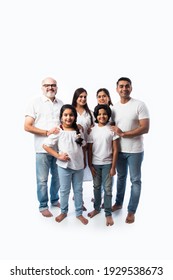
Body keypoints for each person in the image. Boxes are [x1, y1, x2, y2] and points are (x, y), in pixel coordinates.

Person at [111, 77, 150, 224]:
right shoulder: (114, 108)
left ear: (131, 88)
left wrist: (124, 134)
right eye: (121, 86)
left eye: (127, 86)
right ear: (117, 89)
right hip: (119, 150)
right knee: (121, 178)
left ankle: (131, 211)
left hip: (135, 150)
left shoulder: (139, 105)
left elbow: (145, 128)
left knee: (135, 180)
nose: (124, 89)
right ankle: (118, 203)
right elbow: (110, 127)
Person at [43, 104, 88, 225]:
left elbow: (83, 147)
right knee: (64, 190)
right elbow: (45, 145)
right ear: (61, 117)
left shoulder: (78, 130)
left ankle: (79, 213)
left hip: (78, 166)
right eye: (66, 115)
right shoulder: (59, 131)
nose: (68, 117)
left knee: (78, 190)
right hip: (64, 167)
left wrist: (84, 161)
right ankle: (63, 211)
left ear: (75, 117)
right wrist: (58, 156)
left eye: (71, 115)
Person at [24, 77, 63, 217]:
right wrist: (46, 132)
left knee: (57, 177)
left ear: (57, 87)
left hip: (58, 149)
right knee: (42, 180)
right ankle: (43, 206)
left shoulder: (61, 104)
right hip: (41, 149)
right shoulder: (35, 103)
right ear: (42, 87)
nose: (50, 88)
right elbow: (27, 126)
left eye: (53, 85)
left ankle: (54, 200)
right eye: (47, 85)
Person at [87, 104, 119, 226]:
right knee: (96, 187)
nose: (102, 116)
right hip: (95, 164)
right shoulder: (92, 130)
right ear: (96, 115)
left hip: (108, 164)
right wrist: (90, 166)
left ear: (108, 115)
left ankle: (108, 213)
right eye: (99, 114)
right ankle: (96, 208)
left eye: (104, 114)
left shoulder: (111, 129)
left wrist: (113, 167)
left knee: (108, 189)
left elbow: (115, 149)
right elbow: (89, 150)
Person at [72, 88, 94, 210]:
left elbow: (96, 125)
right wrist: (76, 125)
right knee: (76, 174)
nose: (83, 99)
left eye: (85, 97)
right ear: (75, 97)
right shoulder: (71, 111)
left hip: (88, 147)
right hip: (75, 148)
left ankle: (95, 197)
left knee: (87, 171)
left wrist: (92, 127)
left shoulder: (89, 112)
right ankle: (78, 200)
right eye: (80, 96)